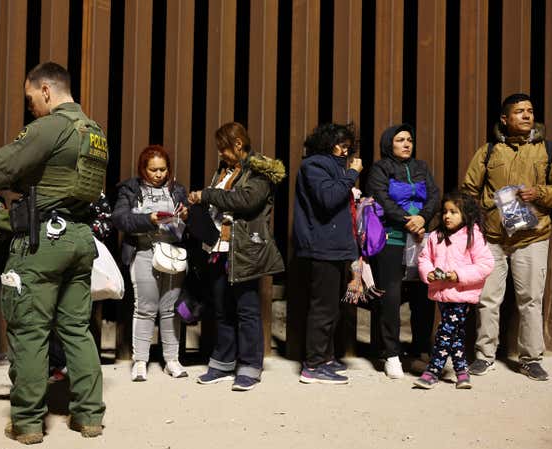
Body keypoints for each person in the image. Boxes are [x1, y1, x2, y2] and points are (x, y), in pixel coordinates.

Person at [0, 62, 107, 443]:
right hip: (79, 237)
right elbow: (56, 176)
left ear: (47, 91)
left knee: (30, 331)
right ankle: (88, 417)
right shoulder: (94, 132)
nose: (30, 106)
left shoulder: (49, 126)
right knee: (76, 329)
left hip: (42, 241)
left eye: (31, 98)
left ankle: (28, 422)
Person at [462, 93, 552, 381]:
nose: (527, 116)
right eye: (519, 112)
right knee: (488, 299)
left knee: (531, 299)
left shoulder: (549, 150)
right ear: (505, 119)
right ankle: (484, 356)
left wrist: (539, 193)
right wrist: (479, 222)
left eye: (530, 111)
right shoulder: (488, 151)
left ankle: (530, 359)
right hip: (493, 238)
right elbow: (469, 190)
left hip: (532, 236)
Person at [188, 122, 285, 392]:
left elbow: (246, 201)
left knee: (247, 310)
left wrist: (207, 194)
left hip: (245, 248)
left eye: (223, 148)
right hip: (218, 247)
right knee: (222, 308)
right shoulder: (225, 170)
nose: (221, 154)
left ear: (238, 145)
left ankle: (250, 367)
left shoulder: (260, 171)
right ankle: (222, 362)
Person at [366, 123, 440, 379]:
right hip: (392, 238)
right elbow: (381, 198)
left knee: (424, 295)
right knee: (391, 298)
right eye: (400, 140)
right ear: (390, 144)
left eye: (409, 139)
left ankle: (421, 351)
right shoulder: (380, 168)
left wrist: (422, 218)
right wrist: (408, 220)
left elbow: (434, 195)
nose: (407, 143)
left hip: (421, 239)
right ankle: (391, 354)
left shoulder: (421, 167)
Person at [291, 123, 362, 384]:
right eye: (341, 143)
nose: (346, 149)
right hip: (322, 247)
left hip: (334, 247)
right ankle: (313, 365)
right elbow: (328, 199)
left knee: (331, 308)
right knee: (323, 308)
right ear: (328, 143)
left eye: (347, 144)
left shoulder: (333, 167)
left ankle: (325, 358)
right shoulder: (315, 166)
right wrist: (351, 175)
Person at [111, 145, 188, 381]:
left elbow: (188, 223)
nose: (158, 174)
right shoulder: (131, 189)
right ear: (143, 169)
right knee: (145, 308)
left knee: (169, 309)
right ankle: (140, 361)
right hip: (143, 252)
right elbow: (120, 218)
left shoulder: (177, 190)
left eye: (163, 170)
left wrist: (185, 215)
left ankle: (172, 360)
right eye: (153, 170)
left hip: (172, 254)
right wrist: (149, 219)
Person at [414, 192, 494, 389]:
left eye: (454, 212)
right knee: (455, 335)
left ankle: (433, 370)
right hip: (442, 294)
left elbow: (485, 264)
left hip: (462, 294)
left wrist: (457, 275)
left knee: (446, 330)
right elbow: (425, 259)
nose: (447, 216)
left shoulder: (473, 236)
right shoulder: (436, 235)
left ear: (465, 214)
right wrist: (429, 273)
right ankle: (461, 372)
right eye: (445, 212)